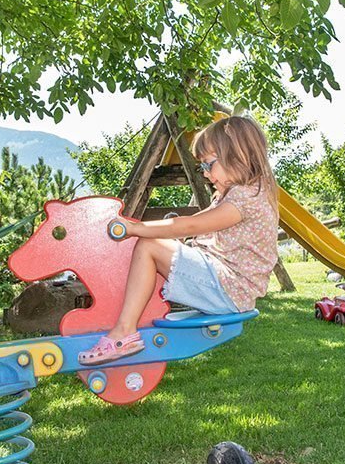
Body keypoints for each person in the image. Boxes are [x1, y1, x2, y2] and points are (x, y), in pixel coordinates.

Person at [77, 116, 279, 366]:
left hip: (228, 289)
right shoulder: (241, 193)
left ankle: (124, 333)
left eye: (209, 164)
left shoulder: (246, 197)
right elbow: (198, 220)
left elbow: (190, 224)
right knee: (157, 245)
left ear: (237, 155)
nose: (205, 173)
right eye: (202, 167)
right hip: (228, 286)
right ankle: (128, 319)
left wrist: (136, 228)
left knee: (149, 246)